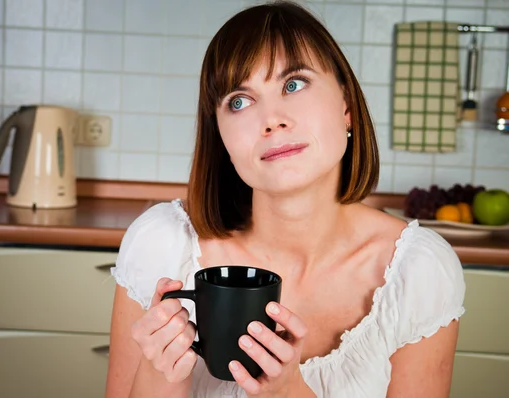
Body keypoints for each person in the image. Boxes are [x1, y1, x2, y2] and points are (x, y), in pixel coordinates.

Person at [105, 2, 466, 397]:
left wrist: (288, 392)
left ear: (346, 106)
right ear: (221, 137)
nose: (271, 119)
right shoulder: (160, 244)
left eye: (293, 84)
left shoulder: (418, 272)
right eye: (239, 101)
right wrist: (161, 374)